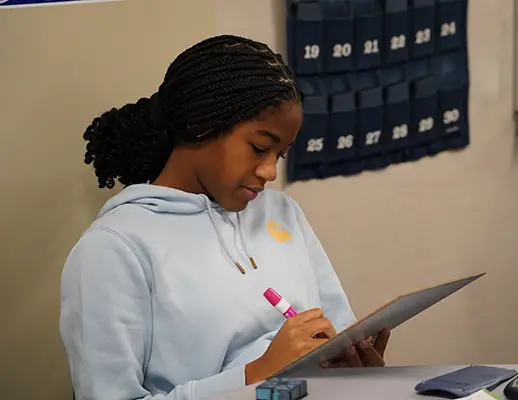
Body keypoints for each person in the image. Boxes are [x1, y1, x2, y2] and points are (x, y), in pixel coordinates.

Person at [59, 35, 390, 400]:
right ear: (202, 125)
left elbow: (333, 327)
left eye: (279, 154)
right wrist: (256, 373)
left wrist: (349, 363)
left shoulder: (281, 213)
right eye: (259, 148)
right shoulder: (114, 248)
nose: (269, 172)